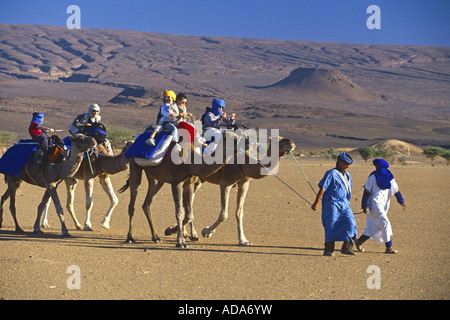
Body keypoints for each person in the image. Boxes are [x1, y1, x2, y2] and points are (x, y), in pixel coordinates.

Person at [355, 159, 406, 254]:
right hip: (374, 204)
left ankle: (359, 241)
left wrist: (401, 201)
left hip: (384, 205)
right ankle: (389, 248)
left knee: (374, 227)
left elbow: (396, 191)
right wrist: (365, 206)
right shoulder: (373, 177)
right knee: (385, 222)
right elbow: (366, 192)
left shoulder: (390, 177)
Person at [311, 152, 358, 256]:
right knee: (331, 225)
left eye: (349, 164)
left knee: (351, 223)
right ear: (339, 162)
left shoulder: (347, 175)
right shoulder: (331, 173)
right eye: (345, 163)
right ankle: (328, 250)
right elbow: (322, 189)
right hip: (332, 203)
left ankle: (346, 248)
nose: (347, 166)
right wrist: (316, 203)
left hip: (345, 204)